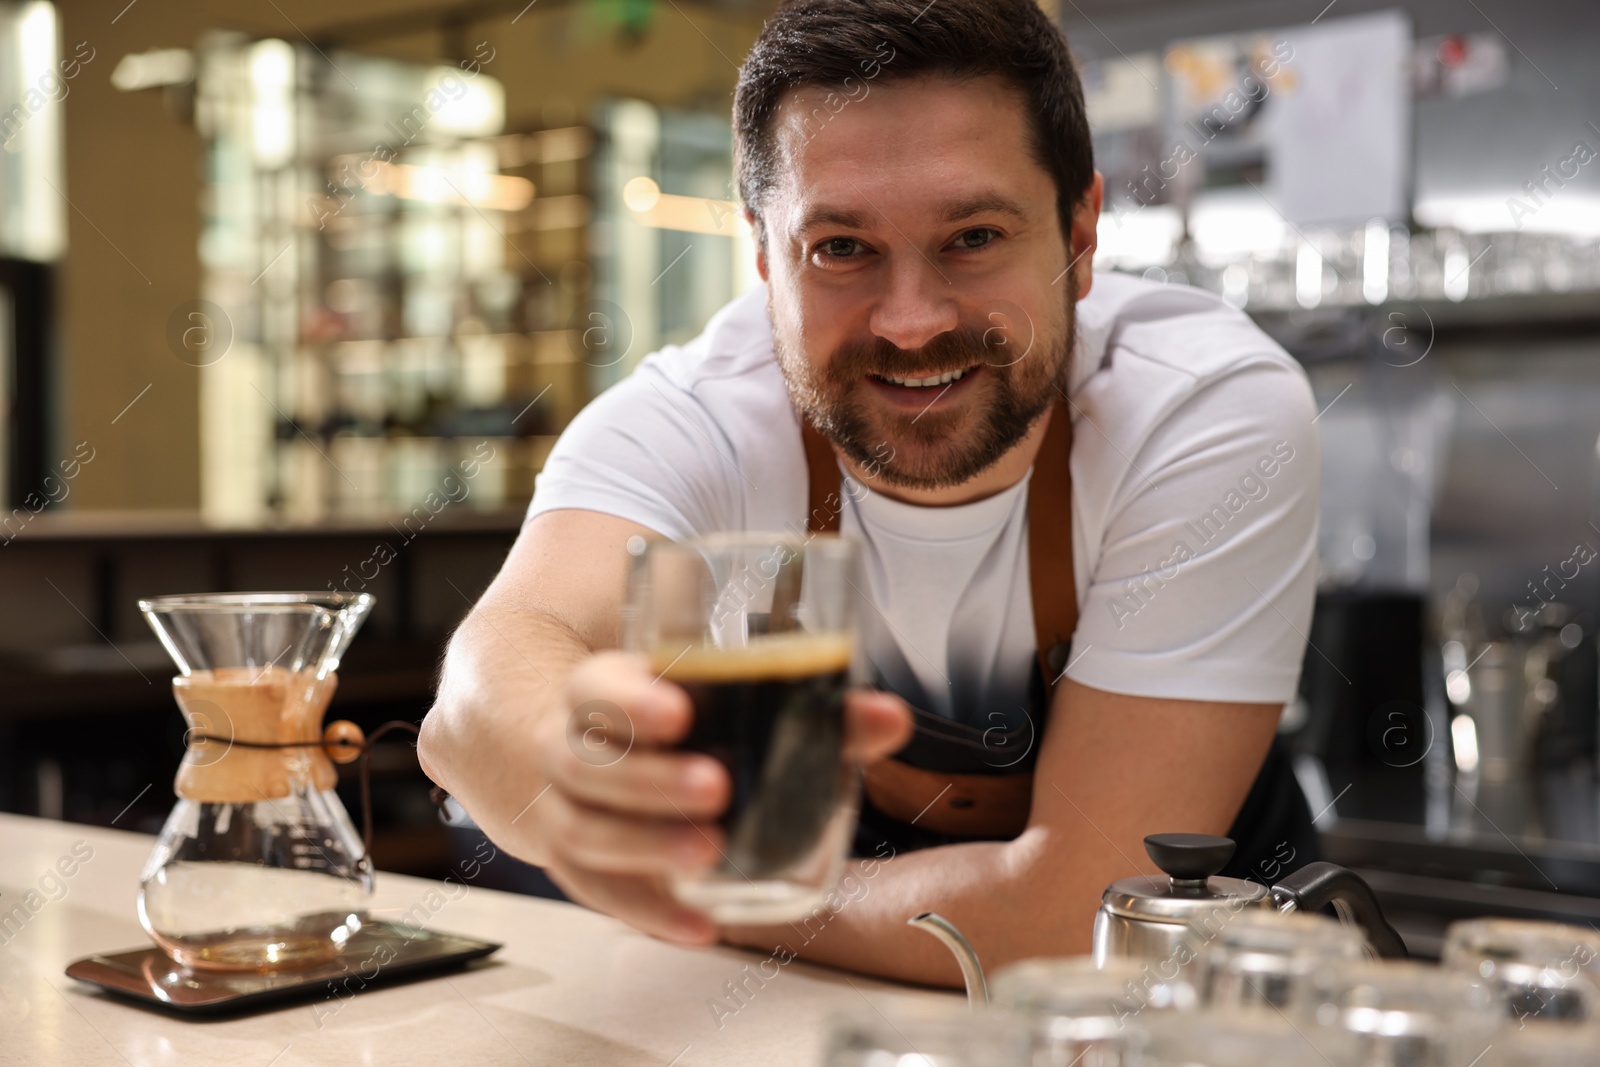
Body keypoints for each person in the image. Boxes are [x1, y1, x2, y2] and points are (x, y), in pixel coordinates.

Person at [418, 0, 1320, 988]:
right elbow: (477, 698)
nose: (910, 321)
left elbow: (1080, 916)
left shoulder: (1202, 409)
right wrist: (570, 768)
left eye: (972, 236)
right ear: (763, 257)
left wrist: (724, 883)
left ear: (1080, 230)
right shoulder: (695, 415)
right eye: (841, 248)